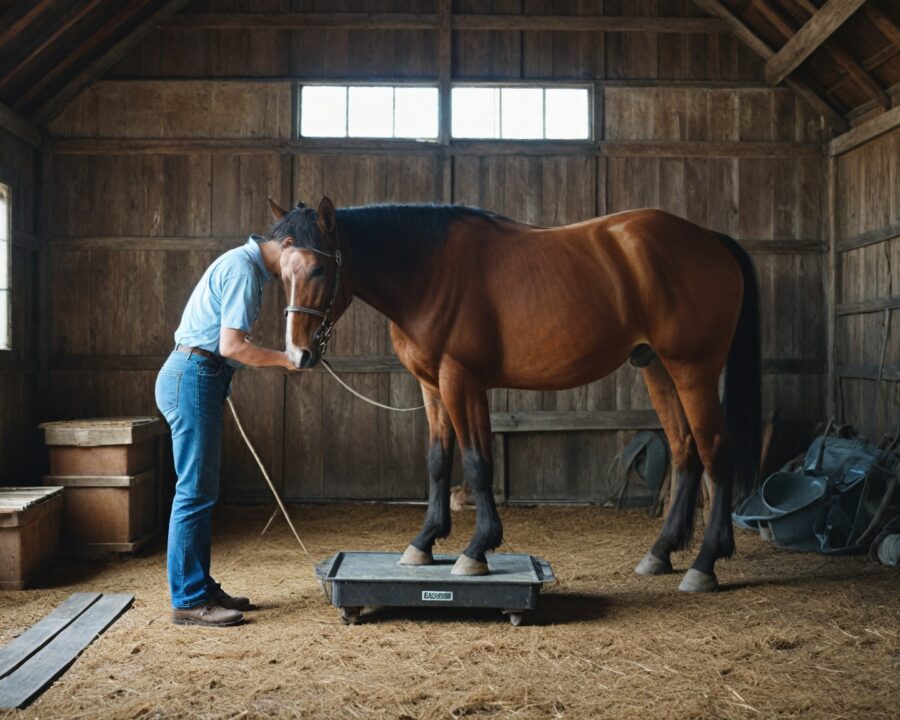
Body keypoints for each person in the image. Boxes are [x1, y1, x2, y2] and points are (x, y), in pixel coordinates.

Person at [155, 229, 297, 627]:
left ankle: (200, 587)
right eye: (298, 260)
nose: (297, 272)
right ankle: (188, 600)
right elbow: (232, 346)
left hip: (199, 374)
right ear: (287, 244)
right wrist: (286, 359)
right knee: (194, 490)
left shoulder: (244, 265)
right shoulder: (244, 270)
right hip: (195, 374)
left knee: (201, 489)